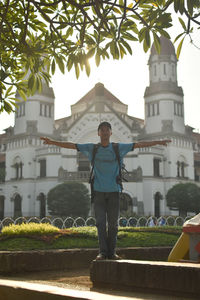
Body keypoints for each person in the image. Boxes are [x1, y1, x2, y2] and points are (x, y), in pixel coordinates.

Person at [40, 121, 171, 260]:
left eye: (107, 130)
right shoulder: (92, 148)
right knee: (100, 223)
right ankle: (103, 252)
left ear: (110, 132)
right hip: (98, 192)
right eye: (102, 130)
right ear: (98, 133)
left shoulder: (118, 147)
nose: (104, 132)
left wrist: (159, 142)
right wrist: (52, 142)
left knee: (113, 224)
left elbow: (138, 144)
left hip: (114, 191)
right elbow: (72, 145)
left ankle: (112, 252)